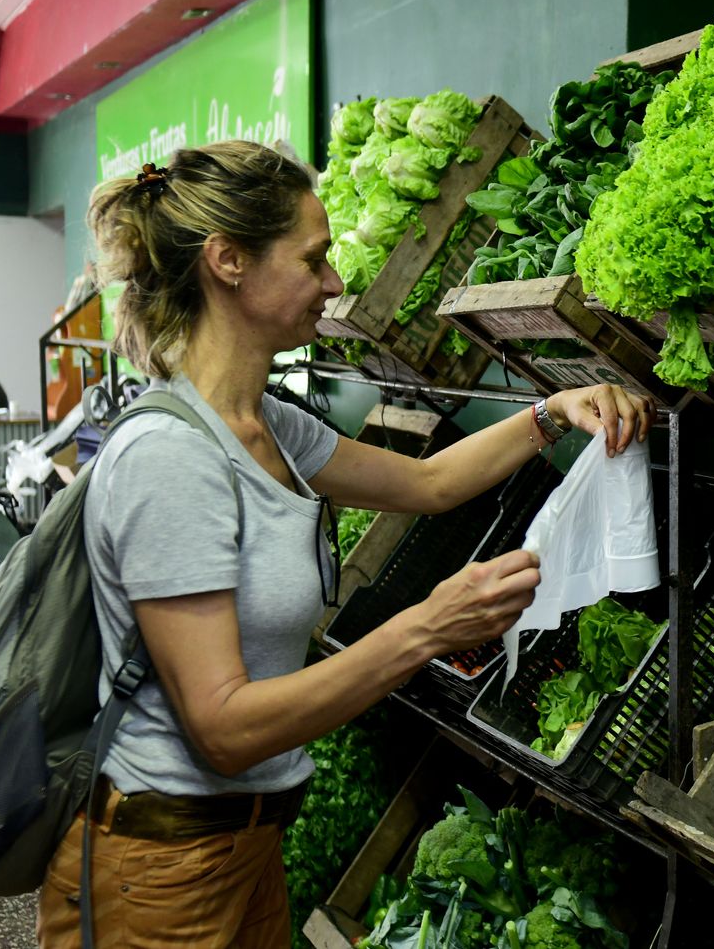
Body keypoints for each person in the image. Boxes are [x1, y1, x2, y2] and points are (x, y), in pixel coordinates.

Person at [36, 142, 655, 948]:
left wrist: (551, 413)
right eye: (314, 259)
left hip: (244, 846)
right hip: (162, 868)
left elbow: (427, 485)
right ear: (228, 262)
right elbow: (220, 726)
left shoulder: (270, 425)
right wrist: (424, 629)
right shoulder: (171, 461)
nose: (334, 285)